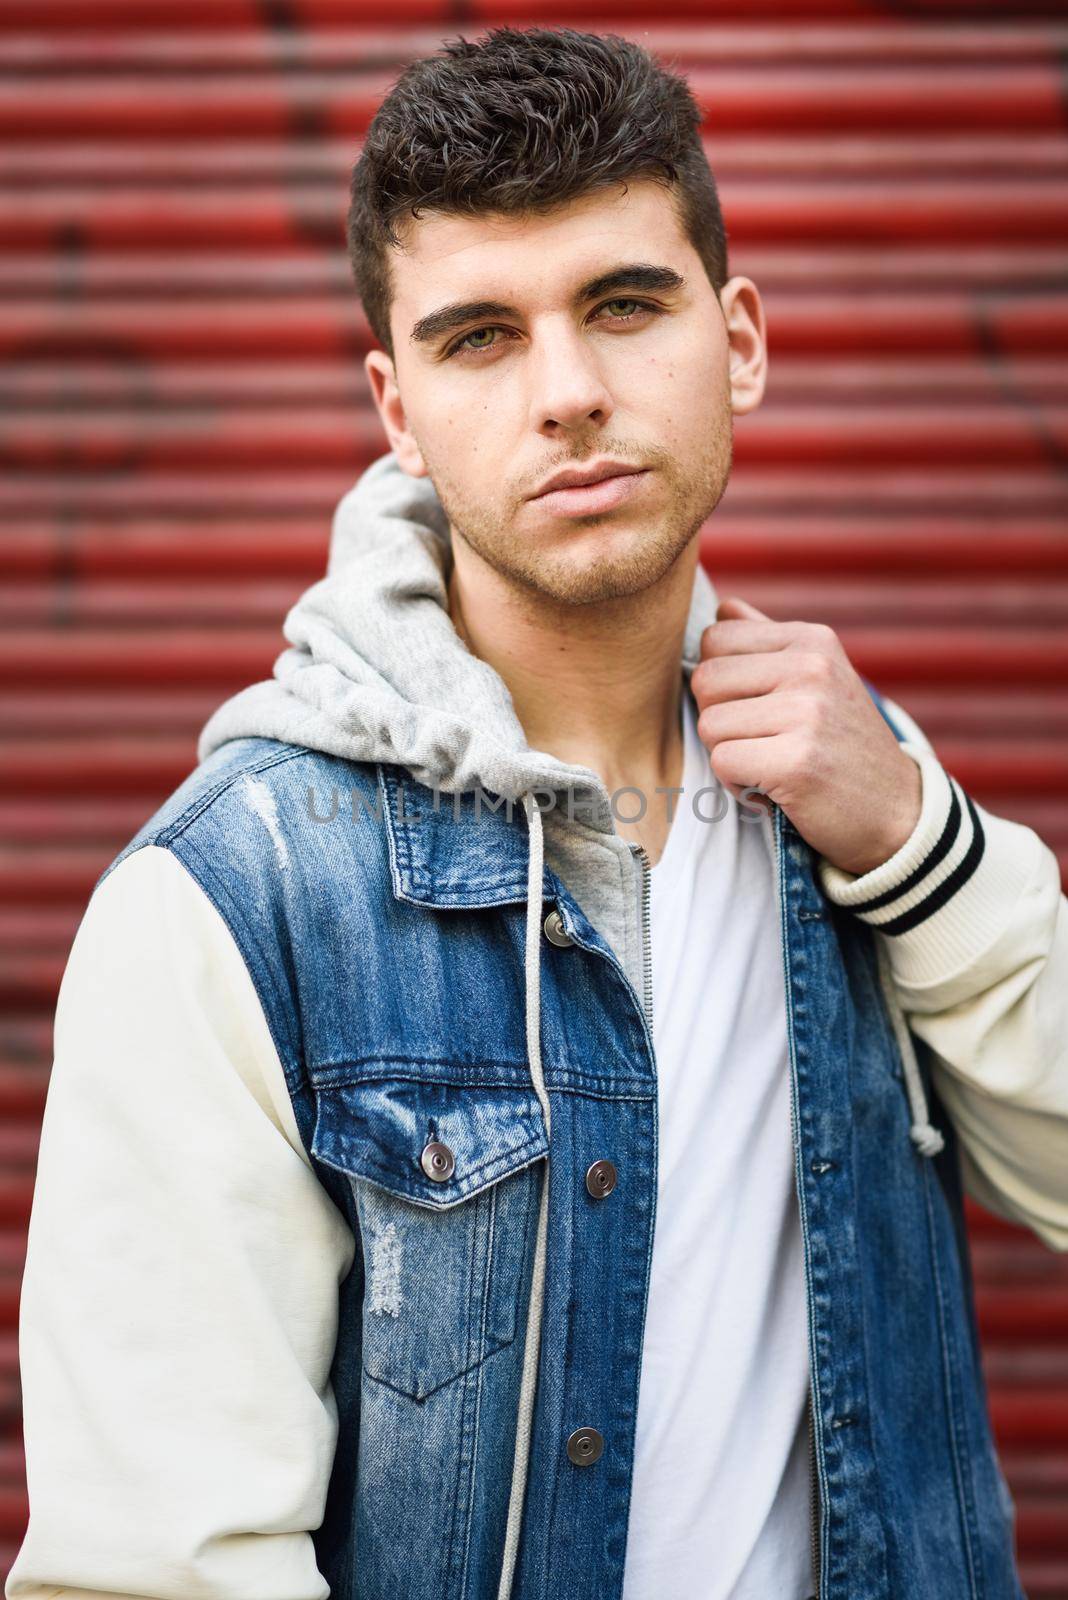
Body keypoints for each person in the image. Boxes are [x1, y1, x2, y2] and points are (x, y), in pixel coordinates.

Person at [7, 25, 1067, 1600]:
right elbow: (163, 1566)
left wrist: (923, 847)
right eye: (481, 337)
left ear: (743, 338)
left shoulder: (859, 793)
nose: (568, 394)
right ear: (396, 405)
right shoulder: (236, 900)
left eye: (625, 307)